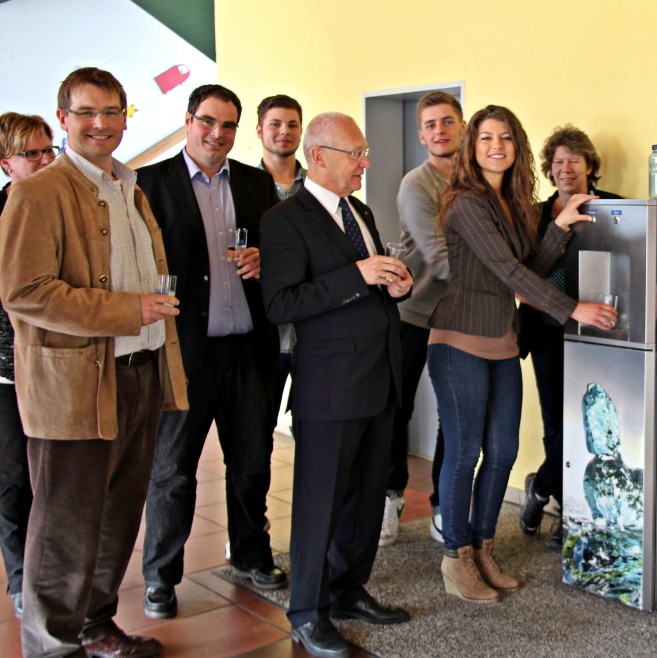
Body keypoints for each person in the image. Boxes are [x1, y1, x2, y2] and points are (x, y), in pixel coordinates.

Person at [0, 66, 187, 658]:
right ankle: (53, 645)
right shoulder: (37, 192)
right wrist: (128, 310)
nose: (101, 124)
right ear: (63, 119)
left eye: (112, 112)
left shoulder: (127, 186)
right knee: (64, 529)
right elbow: (26, 292)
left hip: (140, 373)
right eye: (86, 112)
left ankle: (95, 625)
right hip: (76, 387)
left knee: (117, 517)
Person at [428, 105, 615, 603]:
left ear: (517, 146)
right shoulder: (466, 201)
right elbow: (509, 274)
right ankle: (456, 557)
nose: (496, 145)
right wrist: (573, 308)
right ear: (472, 145)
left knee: (505, 452)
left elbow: (528, 264)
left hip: (502, 341)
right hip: (458, 340)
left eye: (506, 137)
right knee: (466, 451)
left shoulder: (512, 201)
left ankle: (484, 548)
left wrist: (562, 225)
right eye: (486, 137)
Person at [261, 111, 413, 658]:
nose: (365, 164)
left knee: (366, 499)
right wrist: (358, 277)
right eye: (356, 154)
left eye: (365, 152)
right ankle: (306, 612)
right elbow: (281, 302)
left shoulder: (360, 210)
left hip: (380, 375)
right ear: (319, 156)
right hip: (329, 385)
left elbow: (371, 280)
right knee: (320, 504)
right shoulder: (286, 219)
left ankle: (348, 589)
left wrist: (394, 283)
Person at [137, 84, 283, 620]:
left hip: (248, 350)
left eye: (228, 125)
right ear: (187, 120)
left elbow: (284, 255)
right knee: (173, 470)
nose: (217, 134)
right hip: (183, 352)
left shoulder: (254, 182)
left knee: (252, 463)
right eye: (207, 122)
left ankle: (250, 553)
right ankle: (161, 576)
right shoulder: (149, 183)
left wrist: (266, 259)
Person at [518, 124, 622, 550]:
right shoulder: (536, 215)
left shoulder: (616, 207)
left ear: (590, 166)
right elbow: (525, 274)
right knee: (555, 422)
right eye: (557, 163)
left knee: (584, 425)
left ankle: (540, 487)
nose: (564, 169)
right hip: (547, 332)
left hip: (599, 333)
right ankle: (565, 509)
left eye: (572, 162)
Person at [381, 91, 464, 547]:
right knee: (397, 409)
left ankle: (442, 505)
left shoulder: (478, 181)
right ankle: (389, 497)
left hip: (461, 317)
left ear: (462, 127)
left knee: (454, 415)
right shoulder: (416, 183)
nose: (439, 131)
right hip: (413, 311)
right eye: (430, 125)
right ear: (421, 134)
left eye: (447, 122)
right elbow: (438, 253)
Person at [0, 112, 58, 620]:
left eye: (47, 151)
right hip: (5, 373)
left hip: (53, 368)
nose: (42, 162)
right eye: (31, 154)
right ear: (6, 163)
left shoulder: (61, 208)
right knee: (14, 478)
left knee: (55, 480)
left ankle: (52, 578)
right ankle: (21, 579)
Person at [256, 93, 306, 420]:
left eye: (292, 124)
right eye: (275, 124)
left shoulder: (318, 188)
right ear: (259, 130)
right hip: (262, 339)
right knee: (258, 437)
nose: (284, 131)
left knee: (313, 436)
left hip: (310, 338)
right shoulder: (239, 189)